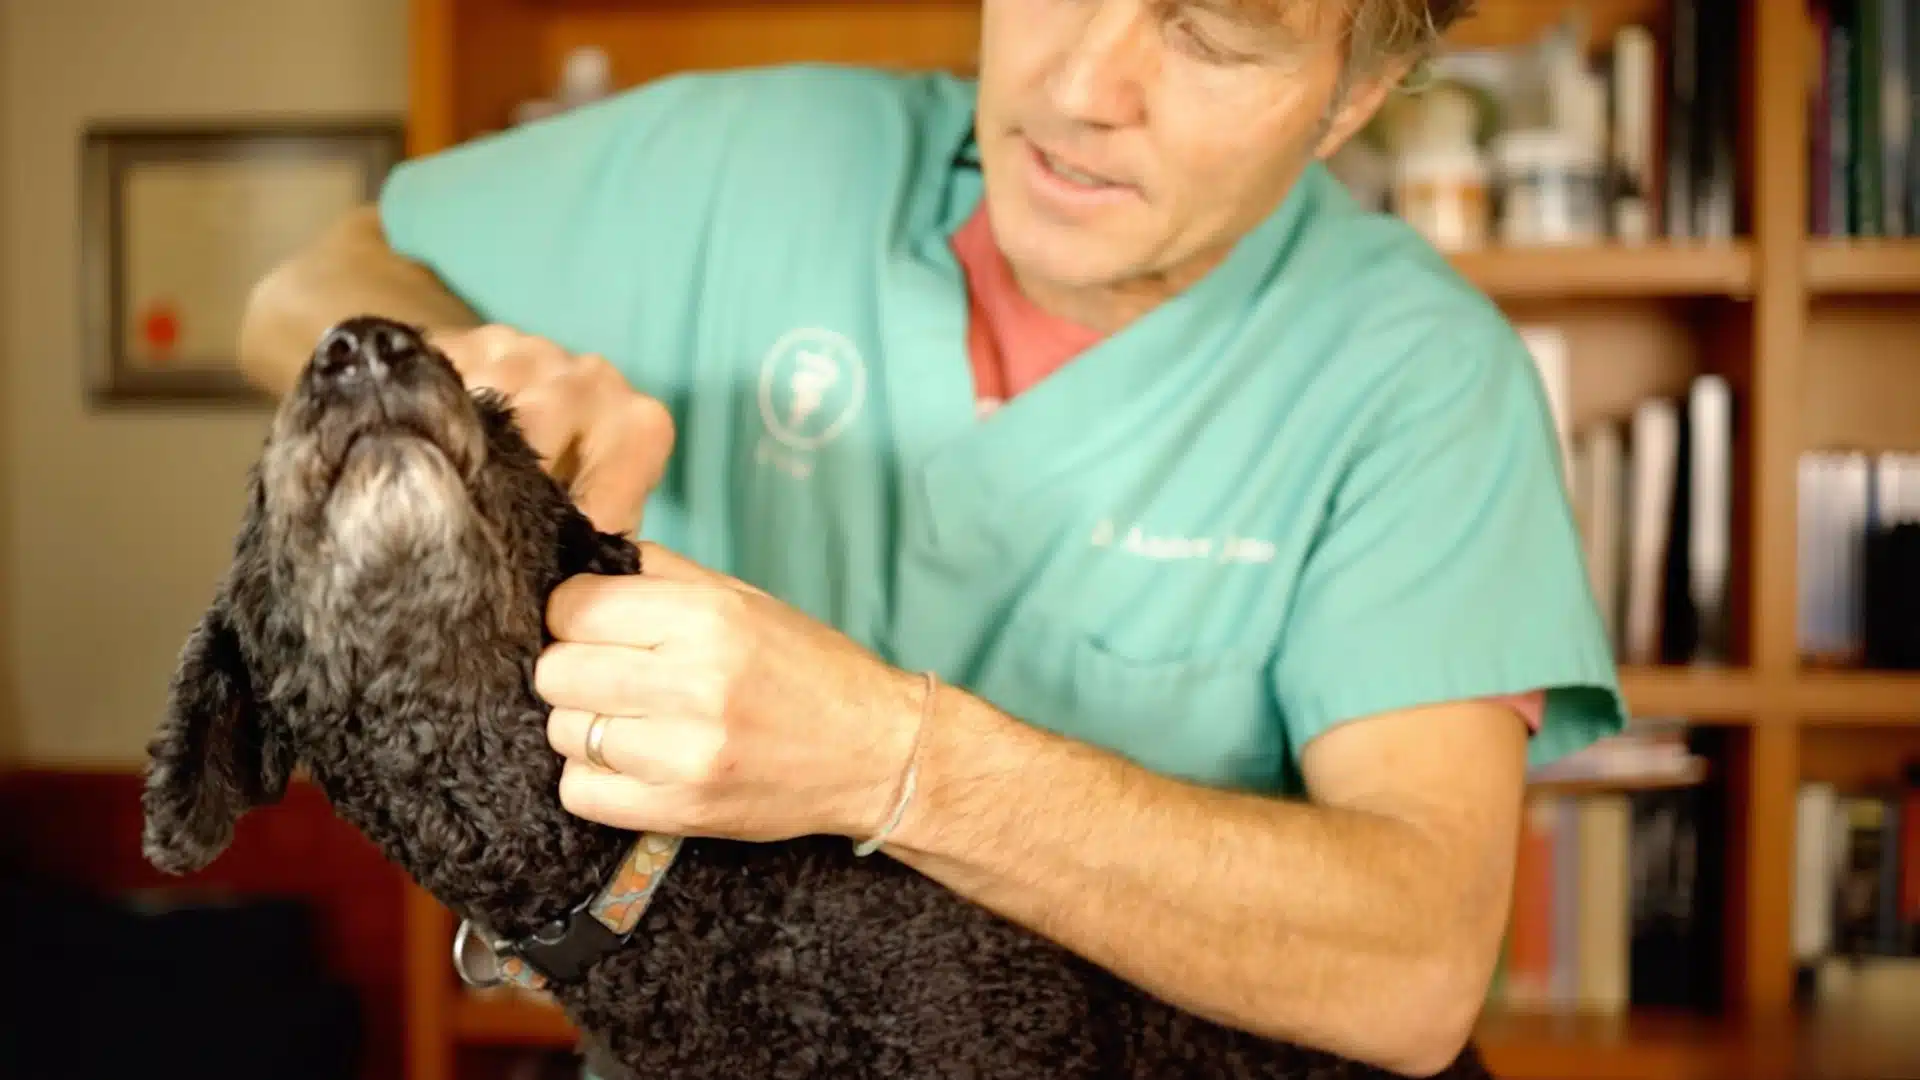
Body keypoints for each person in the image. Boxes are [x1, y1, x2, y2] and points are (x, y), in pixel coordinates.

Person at [238, 0, 1624, 1074]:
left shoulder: (1420, 375)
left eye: (1212, 34)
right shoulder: (755, 158)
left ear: (1354, 92)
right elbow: (300, 286)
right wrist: (476, 371)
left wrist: (897, 761)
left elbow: (1416, 969)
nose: (1081, 89)